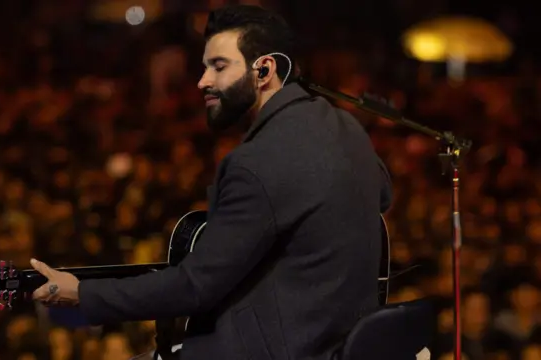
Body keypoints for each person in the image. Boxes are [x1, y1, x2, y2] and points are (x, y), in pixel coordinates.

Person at [29, 5, 393, 360]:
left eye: (219, 66)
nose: (203, 81)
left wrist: (82, 293)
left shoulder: (255, 164)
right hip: (338, 341)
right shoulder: (346, 127)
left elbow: (194, 286)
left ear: (264, 70)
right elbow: (381, 194)